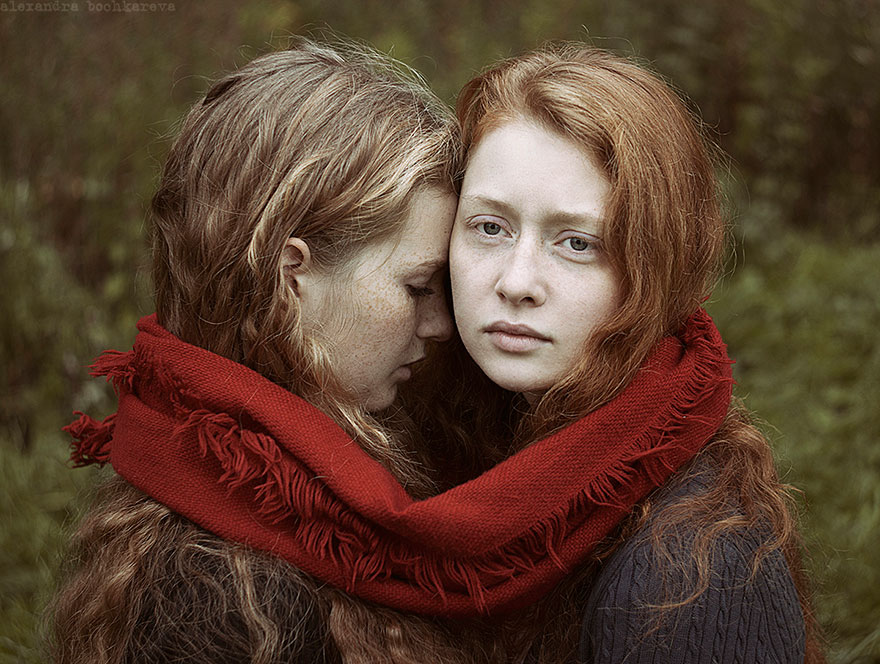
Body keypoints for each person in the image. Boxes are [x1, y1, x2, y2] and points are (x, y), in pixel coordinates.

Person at [49, 39, 476, 663]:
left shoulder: (266, 490)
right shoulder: (220, 599)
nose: (440, 323)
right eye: (417, 286)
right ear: (291, 277)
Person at [424, 43, 824, 663]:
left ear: (653, 267)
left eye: (578, 242)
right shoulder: (467, 435)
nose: (516, 281)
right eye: (491, 227)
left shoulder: (693, 577)